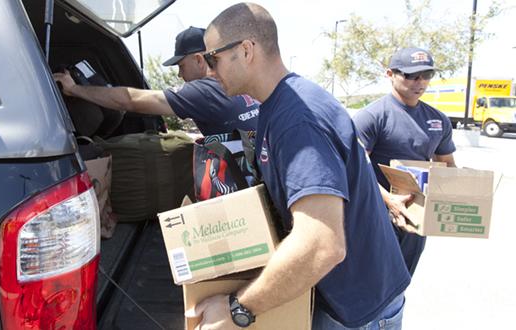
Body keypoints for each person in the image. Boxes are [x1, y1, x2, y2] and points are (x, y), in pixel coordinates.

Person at [190, 3, 410, 329]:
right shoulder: (280, 105)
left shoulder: (296, 119)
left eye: (212, 58)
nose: (208, 71)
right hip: (345, 297)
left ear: (246, 50)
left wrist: (238, 307)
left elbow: (322, 244)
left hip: (357, 313)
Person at [353, 47, 457, 276]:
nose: (420, 82)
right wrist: (390, 201)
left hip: (415, 220)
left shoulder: (437, 120)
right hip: (376, 217)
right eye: (411, 75)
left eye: (426, 75)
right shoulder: (372, 117)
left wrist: (461, 193)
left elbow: (448, 166)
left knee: (402, 280)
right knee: (374, 282)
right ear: (390, 74)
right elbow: (355, 168)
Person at [53, 26, 259, 136]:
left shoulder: (203, 92)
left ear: (198, 60)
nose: (180, 75)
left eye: (181, 66)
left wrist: (74, 89)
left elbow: (129, 101)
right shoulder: (239, 81)